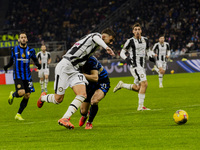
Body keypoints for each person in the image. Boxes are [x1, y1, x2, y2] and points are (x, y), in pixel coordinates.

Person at [37, 28, 115, 129]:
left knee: (82, 94)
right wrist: (106, 47)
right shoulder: (95, 36)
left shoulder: (92, 46)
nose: (111, 43)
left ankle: (65, 118)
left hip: (74, 69)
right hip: (65, 65)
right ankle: (43, 97)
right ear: (104, 37)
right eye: (111, 40)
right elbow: (96, 37)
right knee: (58, 99)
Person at [113, 23, 151, 111]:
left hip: (142, 65)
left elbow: (148, 51)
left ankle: (122, 85)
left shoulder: (145, 40)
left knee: (139, 88)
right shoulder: (130, 41)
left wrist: (151, 56)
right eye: (135, 30)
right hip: (135, 66)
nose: (137, 31)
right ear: (133, 31)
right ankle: (140, 106)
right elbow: (122, 52)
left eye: (138, 29)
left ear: (141, 30)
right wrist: (126, 58)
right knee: (144, 84)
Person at [3, 32, 41, 120]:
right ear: (19, 40)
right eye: (21, 37)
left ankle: (18, 114)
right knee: (21, 93)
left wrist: (38, 65)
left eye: (25, 37)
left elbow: (35, 59)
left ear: (27, 39)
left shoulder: (31, 50)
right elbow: (11, 61)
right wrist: (6, 67)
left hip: (27, 75)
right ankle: (13, 94)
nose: (23, 39)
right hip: (18, 74)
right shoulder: (14, 49)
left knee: (27, 95)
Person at [79, 56, 110, 129]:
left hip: (101, 81)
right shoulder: (75, 61)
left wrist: (82, 75)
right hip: (89, 84)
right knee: (83, 111)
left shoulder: (91, 59)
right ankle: (85, 115)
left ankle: (89, 122)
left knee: (94, 100)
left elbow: (95, 78)